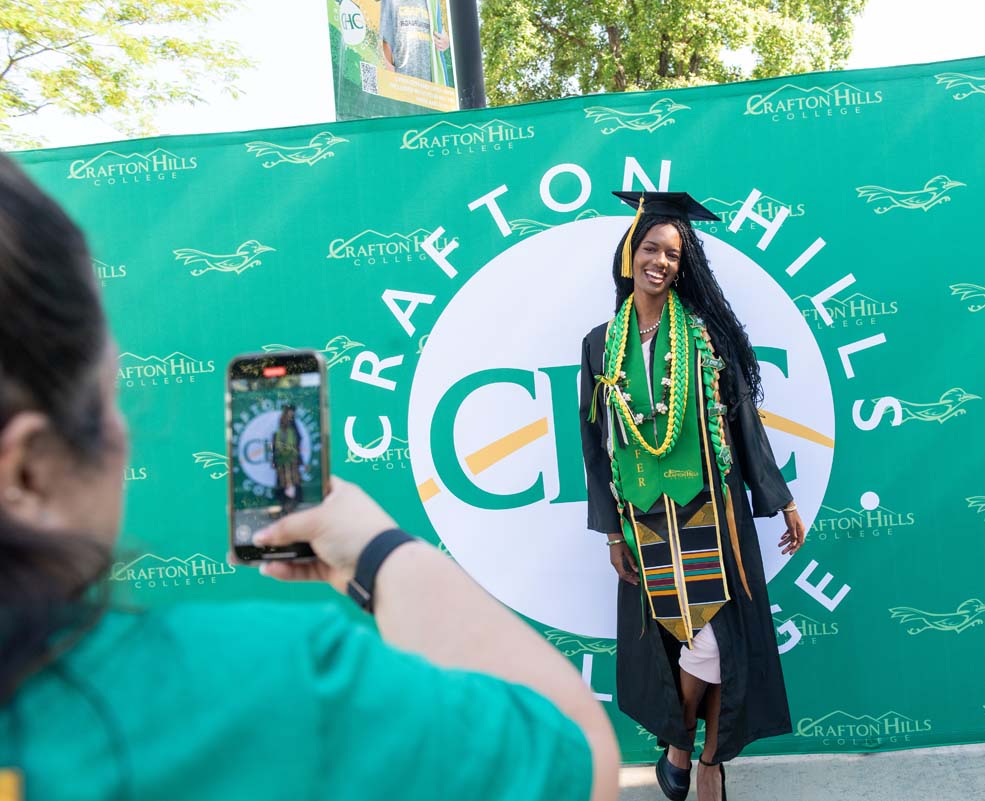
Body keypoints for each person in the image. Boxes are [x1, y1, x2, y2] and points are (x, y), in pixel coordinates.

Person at [0, 154, 618, 801]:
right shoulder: (269, 687)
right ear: (27, 470)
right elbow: (576, 759)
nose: (123, 433)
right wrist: (380, 553)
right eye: (109, 398)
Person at [579, 191, 806, 801]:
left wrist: (779, 497)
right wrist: (609, 531)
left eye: (673, 254)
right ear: (630, 254)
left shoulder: (703, 335)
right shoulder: (601, 344)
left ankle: (698, 755)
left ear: (685, 265)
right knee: (672, 640)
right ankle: (689, 748)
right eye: (651, 248)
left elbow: (743, 422)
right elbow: (594, 444)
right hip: (643, 517)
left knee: (715, 641)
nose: (661, 261)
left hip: (712, 513)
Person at [378, 0, 453, 86]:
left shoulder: (434, 2)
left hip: (431, 82)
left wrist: (446, 40)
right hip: (403, 79)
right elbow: (386, 41)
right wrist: (391, 77)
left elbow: (437, 26)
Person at [272, 404, 304, 514]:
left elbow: (298, 441)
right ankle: (287, 506)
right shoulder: (280, 430)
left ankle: (290, 506)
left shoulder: (292, 427)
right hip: (284, 461)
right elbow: (277, 446)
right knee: (285, 483)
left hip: (291, 460)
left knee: (292, 482)